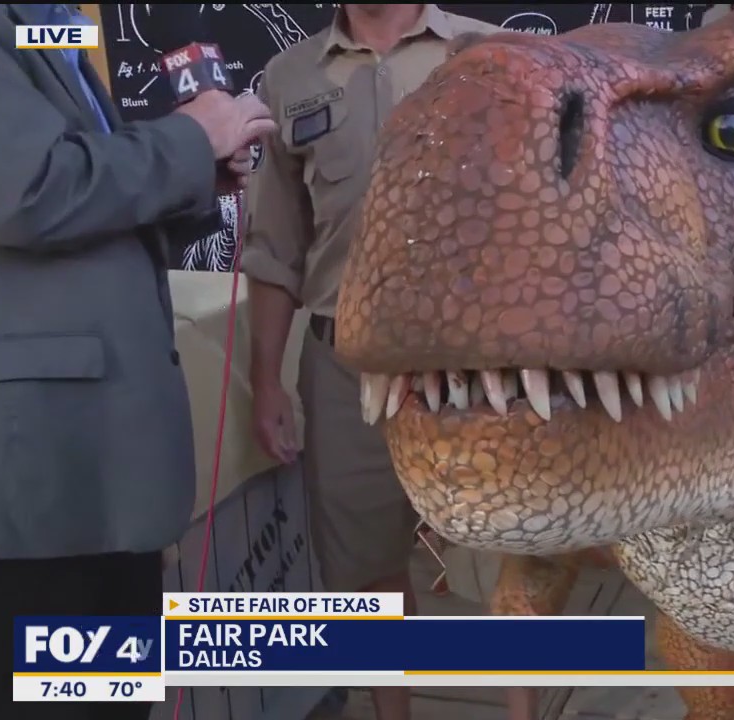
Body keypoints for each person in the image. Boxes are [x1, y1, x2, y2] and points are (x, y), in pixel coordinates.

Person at [0, 3, 275, 718]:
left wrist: (197, 175)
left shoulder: (48, 26)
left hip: (94, 481)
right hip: (29, 491)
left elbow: (79, 202)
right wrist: (191, 138)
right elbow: (24, 190)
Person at [240, 5, 500, 718]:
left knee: (521, 569)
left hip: (487, 369)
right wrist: (266, 384)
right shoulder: (290, 78)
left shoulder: (493, 53)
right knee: (367, 575)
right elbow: (276, 248)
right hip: (346, 369)